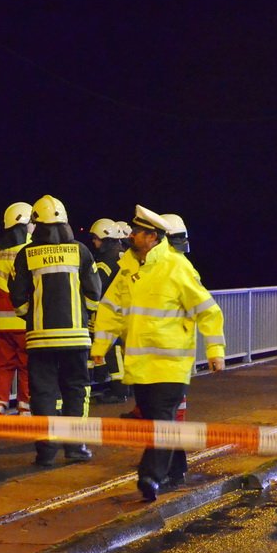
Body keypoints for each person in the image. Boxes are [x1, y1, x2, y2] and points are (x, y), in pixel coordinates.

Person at [91, 204, 225, 502]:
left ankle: (150, 475)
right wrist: (100, 346)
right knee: (157, 420)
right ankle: (175, 470)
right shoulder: (128, 268)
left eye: (136, 232)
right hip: (140, 366)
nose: (131, 236)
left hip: (170, 364)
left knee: (162, 418)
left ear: (152, 237)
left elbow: (208, 311)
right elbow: (111, 309)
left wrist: (215, 350)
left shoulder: (176, 267)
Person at [10, 194, 102, 466]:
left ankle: (46, 451)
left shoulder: (26, 254)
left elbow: (18, 297)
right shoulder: (81, 251)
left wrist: (33, 317)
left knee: (43, 393)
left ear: (36, 224)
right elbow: (94, 294)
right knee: (76, 389)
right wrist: (83, 317)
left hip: (40, 338)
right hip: (75, 336)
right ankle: (75, 447)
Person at [0, 202, 33, 416]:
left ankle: (0, 402)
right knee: (26, 365)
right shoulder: (28, 252)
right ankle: (24, 405)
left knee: (4, 365)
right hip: (23, 320)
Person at [88, 217, 130, 405]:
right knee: (117, 349)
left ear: (106, 239)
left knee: (112, 349)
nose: (95, 243)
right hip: (125, 308)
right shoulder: (124, 254)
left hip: (111, 309)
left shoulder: (107, 260)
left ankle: (119, 391)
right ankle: (121, 387)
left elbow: (97, 285)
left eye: (96, 239)